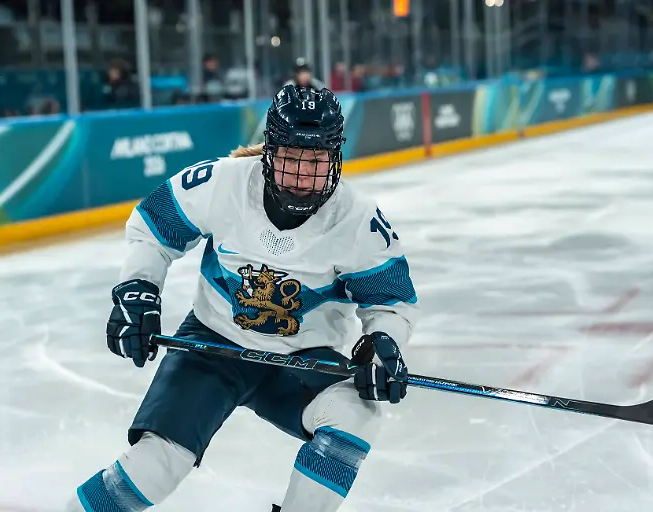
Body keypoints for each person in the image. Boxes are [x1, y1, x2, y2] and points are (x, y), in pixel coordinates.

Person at [66, 84, 419, 511]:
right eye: (291, 158)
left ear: (335, 158)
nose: (302, 176)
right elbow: (154, 226)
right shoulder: (223, 183)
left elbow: (390, 303)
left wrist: (383, 343)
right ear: (269, 152)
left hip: (300, 361)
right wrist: (139, 290)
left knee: (355, 415)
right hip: (211, 345)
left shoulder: (358, 220)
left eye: (315, 161)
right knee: (155, 466)